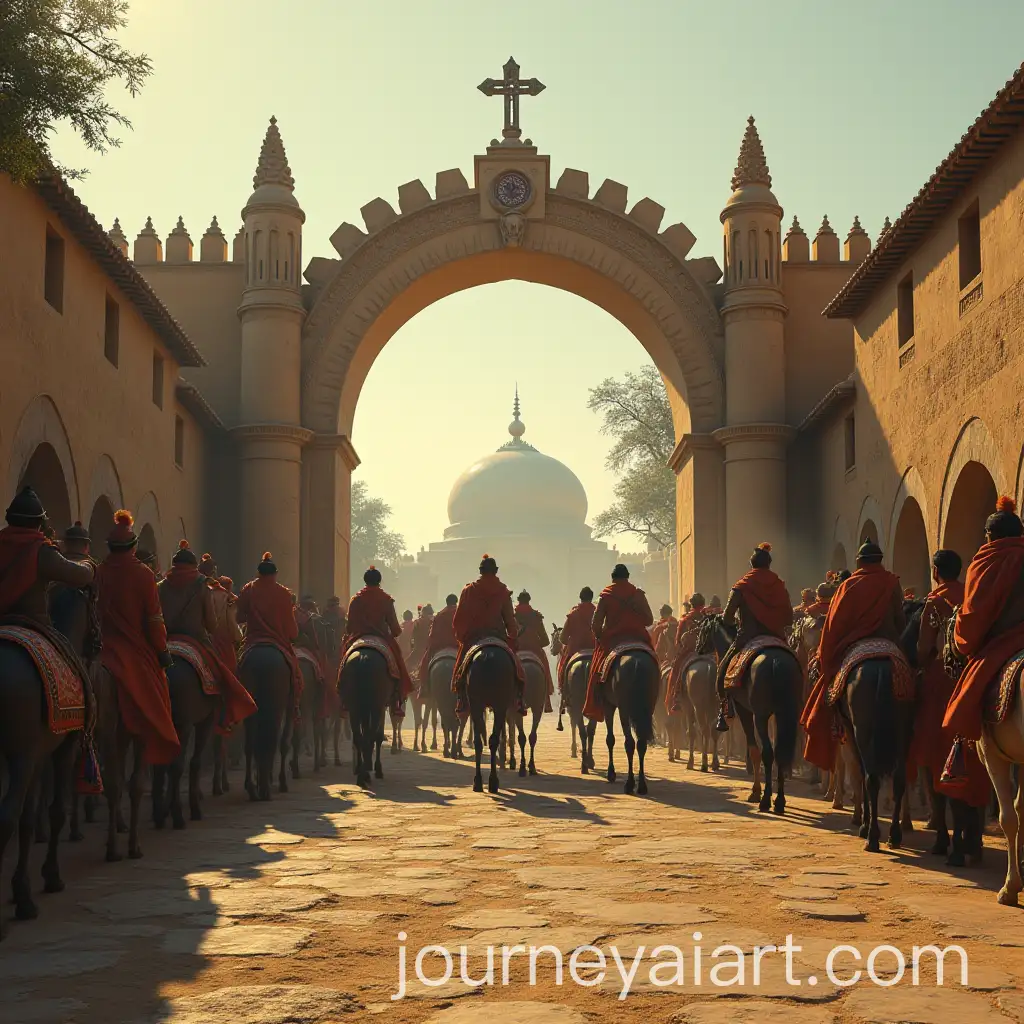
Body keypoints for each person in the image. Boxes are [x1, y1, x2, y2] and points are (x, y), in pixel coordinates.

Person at [800, 541, 905, 772]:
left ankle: (837, 725)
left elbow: (834, 626)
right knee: (914, 688)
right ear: (880, 560)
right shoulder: (892, 583)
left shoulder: (848, 585)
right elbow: (900, 620)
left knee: (832, 695)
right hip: (890, 646)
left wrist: (827, 659)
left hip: (854, 649)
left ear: (858, 562)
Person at [942, 496, 1024, 780]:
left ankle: (962, 749)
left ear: (989, 535)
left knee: (970, 696)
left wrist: (962, 637)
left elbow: (974, 615)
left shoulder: (986, 560)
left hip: (1002, 644)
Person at [95, 510, 180, 766]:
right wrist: (162, 651)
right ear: (133, 547)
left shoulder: (98, 572)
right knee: (158, 691)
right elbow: (154, 620)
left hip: (101, 648)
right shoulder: (144, 574)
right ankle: (154, 741)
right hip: (134, 650)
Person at [158, 540, 256, 732]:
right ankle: (223, 716)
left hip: (165, 641)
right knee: (219, 675)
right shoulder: (203, 585)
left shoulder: (160, 586)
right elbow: (212, 625)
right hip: (196, 639)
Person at [715, 543, 794, 731]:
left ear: (751, 564)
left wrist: (735, 622)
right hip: (777, 638)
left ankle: (725, 708)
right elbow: (789, 617)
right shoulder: (780, 586)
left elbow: (727, 618)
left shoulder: (741, 586)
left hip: (747, 638)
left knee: (722, 672)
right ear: (769, 564)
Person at [451, 554, 523, 717]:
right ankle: (518, 698)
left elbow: (458, 620)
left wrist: (463, 638)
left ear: (480, 571)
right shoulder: (503, 592)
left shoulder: (468, 591)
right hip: (498, 637)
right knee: (517, 669)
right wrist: (513, 635)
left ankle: (461, 699)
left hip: (474, 639)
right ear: (496, 571)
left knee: (460, 672)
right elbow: (510, 621)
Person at [582, 564, 654, 721]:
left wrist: (600, 637)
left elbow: (595, 625)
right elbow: (649, 620)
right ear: (628, 577)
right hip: (639, 638)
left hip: (613, 640)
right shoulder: (638, 594)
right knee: (654, 662)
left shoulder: (606, 596)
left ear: (612, 578)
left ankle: (596, 701)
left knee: (597, 671)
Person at [342, 566, 414, 717]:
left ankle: (342, 695)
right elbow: (395, 629)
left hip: (359, 637)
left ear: (365, 581)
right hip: (382, 638)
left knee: (343, 662)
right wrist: (395, 632)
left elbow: (349, 627)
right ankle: (397, 699)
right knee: (398, 662)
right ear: (379, 581)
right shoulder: (386, 600)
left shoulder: (356, 599)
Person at [235, 552, 303, 711]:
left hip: (252, 643)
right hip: (278, 644)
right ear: (275, 574)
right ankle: (294, 708)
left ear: (258, 573)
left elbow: (239, 617)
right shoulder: (284, 593)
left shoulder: (248, 589)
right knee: (296, 677)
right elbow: (292, 631)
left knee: (236, 673)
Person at [556, 587, 597, 713]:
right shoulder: (598, 612)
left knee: (563, 668)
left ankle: (564, 694)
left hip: (575, 650)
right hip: (595, 651)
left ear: (580, 598)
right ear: (591, 598)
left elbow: (563, 638)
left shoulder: (573, 614)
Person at [666, 593, 708, 712]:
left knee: (677, 671)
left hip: (688, 653)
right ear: (703, 603)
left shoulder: (685, 620)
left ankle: (677, 697)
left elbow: (678, 641)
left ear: (691, 605)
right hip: (708, 652)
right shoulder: (708, 618)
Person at [515, 590, 554, 712]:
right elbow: (546, 641)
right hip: (535, 650)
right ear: (529, 601)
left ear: (518, 600)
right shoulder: (536, 616)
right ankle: (546, 697)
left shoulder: (511, 615)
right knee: (545, 669)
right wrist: (536, 644)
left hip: (516, 649)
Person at [418, 594, 458, 684]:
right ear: (456, 602)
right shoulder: (460, 613)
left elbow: (433, 634)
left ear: (446, 602)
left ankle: (424, 685)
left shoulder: (439, 614)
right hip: (457, 645)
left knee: (425, 664)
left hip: (440, 645)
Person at [409, 603, 434, 688]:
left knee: (405, 666)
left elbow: (413, 637)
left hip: (419, 649)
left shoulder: (417, 622)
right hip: (431, 648)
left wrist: (413, 647)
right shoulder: (435, 620)